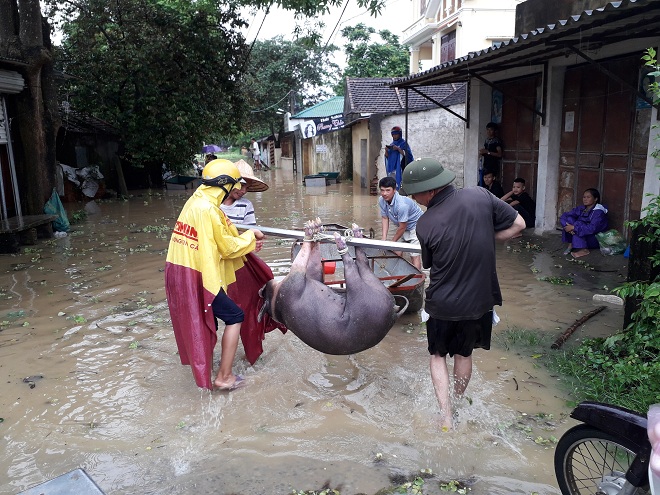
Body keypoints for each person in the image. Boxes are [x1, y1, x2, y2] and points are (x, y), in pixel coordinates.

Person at [400, 157, 526, 430]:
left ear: (431, 190)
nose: (414, 199)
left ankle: (444, 416)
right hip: (479, 300)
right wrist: (485, 235)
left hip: (443, 302)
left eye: (415, 193)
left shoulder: (425, 224)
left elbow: (430, 263)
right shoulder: (481, 195)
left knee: (437, 355)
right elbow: (519, 225)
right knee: (464, 354)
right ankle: (456, 406)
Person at [164, 159, 265, 390]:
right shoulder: (209, 210)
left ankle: (207, 370)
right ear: (225, 185)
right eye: (234, 186)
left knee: (207, 320)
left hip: (181, 272)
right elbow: (227, 247)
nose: (237, 190)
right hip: (199, 275)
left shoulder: (195, 201)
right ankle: (224, 377)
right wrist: (251, 237)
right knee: (235, 315)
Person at [378, 176, 423, 270]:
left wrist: (392, 242)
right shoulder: (381, 200)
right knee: (396, 252)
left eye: (387, 190)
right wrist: (383, 238)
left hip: (417, 225)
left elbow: (402, 227)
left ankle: (417, 279)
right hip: (402, 225)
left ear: (394, 190)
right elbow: (385, 218)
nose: (384, 193)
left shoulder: (402, 205)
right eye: (382, 190)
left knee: (414, 254)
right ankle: (397, 275)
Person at [560, 188, 608, 258]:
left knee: (578, 224)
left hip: (594, 238)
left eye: (588, 197)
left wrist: (574, 228)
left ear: (595, 199)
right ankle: (571, 244)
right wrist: (568, 226)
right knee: (569, 219)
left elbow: (592, 229)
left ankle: (584, 249)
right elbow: (564, 216)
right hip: (582, 234)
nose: (585, 199)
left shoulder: (598, 212)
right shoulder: (582, 208)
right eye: (584, 197)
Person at [220, 160, 268, 226]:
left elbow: (250, 231)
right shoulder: (213, 202)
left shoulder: (246, 205)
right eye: (241, 185)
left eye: (247, 188)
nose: (244, 191)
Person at [384, 126, 414, 190]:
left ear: (399, 134)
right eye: (393, 134)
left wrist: (398, 149)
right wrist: (386, 150)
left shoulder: (403, 143)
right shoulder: (392, 144)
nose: (394, 136)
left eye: (396, 134)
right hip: (392, 169)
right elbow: (387, 157)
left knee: (400, 185)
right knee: (392, 185)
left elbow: (407, 155)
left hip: (400, 168)